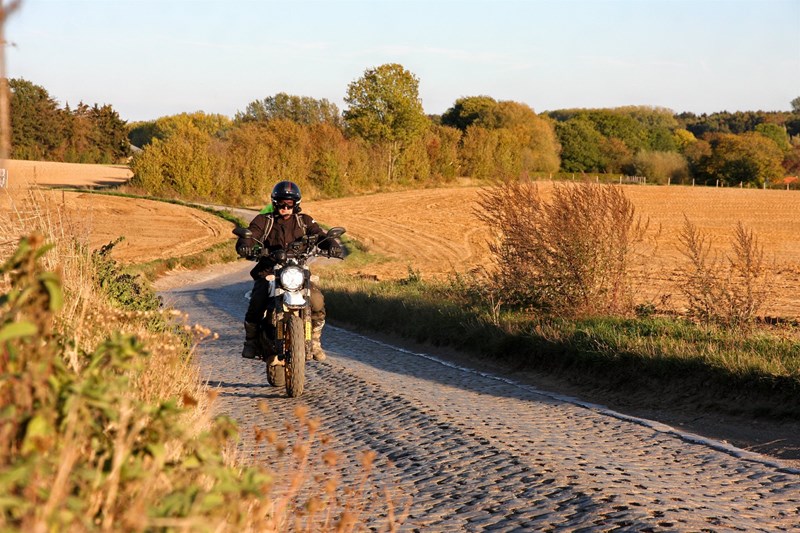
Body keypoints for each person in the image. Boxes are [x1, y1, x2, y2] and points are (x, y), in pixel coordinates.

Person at [236, 180, 343, 361]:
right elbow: (251, 234)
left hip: (297, 271)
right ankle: (251, 341)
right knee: (258, 299)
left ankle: (315, 340)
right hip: (269, 270)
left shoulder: (304, 221)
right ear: (275, 203)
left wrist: (332, 245)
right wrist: (244, 245)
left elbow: (320, 235)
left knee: (317, 300)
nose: (285, 207)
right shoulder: (264, 221)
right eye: (281, 203)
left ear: (296, 204)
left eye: (289, 203)